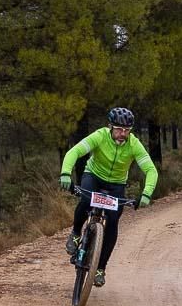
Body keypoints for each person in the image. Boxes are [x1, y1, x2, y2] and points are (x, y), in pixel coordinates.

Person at [59, 107, 159, 288]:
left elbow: (151, 170)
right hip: (94, 176)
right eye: (119, 129)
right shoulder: (100, 136)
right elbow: (74, 152)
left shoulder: (134, 144)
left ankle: (100, 268)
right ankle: (75, 234)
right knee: (86, 199)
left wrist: (146, 193)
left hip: (116, 184)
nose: (123, 134)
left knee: (112, 222)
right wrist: (66, 173)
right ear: (110, 127)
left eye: (127, 130)